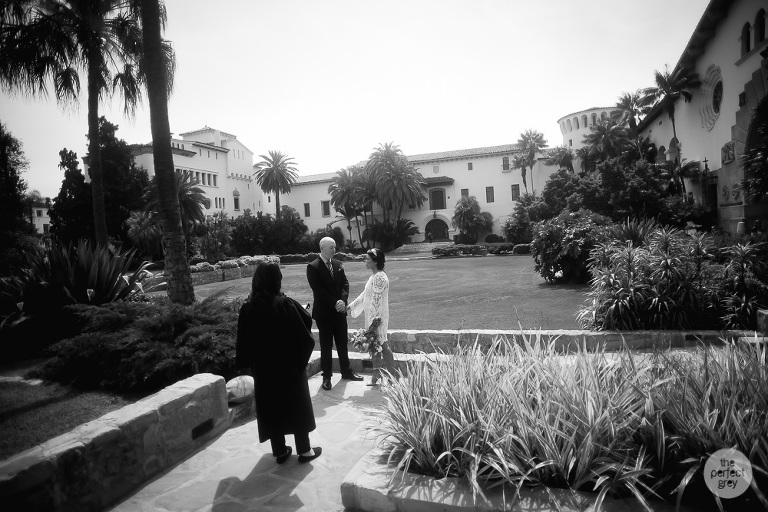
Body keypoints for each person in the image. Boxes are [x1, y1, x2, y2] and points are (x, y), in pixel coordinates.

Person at [236, 262, 322, 464]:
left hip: (264, 371)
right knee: (297, 405)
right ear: (275, 280)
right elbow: (304, 328)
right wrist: (299, 361)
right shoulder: (283, 304)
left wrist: (251, 364)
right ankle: (304, 450)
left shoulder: (247, 309)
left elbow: (244, 341)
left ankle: (280, 451)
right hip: (288, 368)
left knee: (272, 407)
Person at [306, 237, 364, 391]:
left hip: (339, 312)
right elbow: (318, 291)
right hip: (324, 314)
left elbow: (345, 284)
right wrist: (335, 303)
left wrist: (342, 301)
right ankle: (327, 376)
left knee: (342, 343)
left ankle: (346, 371)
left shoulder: (338, 264)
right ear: (322, 248)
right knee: (326, 345)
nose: (334, 250)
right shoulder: (313, 267)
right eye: (331, 247)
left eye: (334, 247)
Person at [347, 248, 396, 386]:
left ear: (375, 261)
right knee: (374, 346)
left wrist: (374, 323)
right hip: (371, 317)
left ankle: (393, 377)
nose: (365, 261)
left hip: (377, 319)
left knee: (383, 346)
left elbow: (377, 300)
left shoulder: (380, 277)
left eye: (368, 259)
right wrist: (350, 307)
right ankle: (376, 375)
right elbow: (365, 295)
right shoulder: (374, 276)